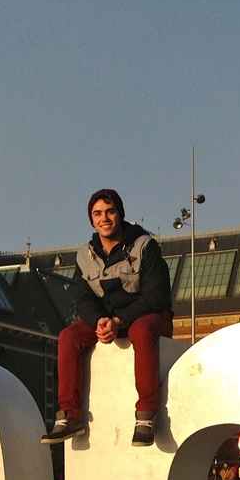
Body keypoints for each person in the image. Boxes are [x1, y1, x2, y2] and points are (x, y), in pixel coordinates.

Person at [41, 189, 172, 447]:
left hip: (148, 317)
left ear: (120, 214)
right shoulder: (84, 255)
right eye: (97, 213)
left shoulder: (145, 246)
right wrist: (99, 321)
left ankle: (146, 414)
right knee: (68, 336)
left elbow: (156, 296)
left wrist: (119, 321)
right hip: (109, 320)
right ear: (91, 220)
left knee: (141, 331)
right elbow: (82, 298)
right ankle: (70, 416)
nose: (104, 218)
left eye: (110, 211)